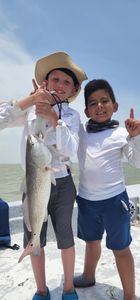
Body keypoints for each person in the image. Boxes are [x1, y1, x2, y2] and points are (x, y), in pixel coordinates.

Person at [0, 51, 87, 300]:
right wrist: (28, 101)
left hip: (62, 182)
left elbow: (71, 149)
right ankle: (41, 290)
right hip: (33, 181)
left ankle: (68, 289)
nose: (60, 85)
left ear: (73, 89)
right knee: (33, 235)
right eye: (55, 79)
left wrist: (53, 118)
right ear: (45, 83)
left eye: (66, 82)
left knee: (65, 237)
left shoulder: (72, 115)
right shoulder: (29, 110)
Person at [73, 79, 140, 300]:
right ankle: (88, 275)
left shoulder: (122, 133)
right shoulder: (81, 131)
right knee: (91, 242)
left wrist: (136, 137)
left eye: (104, 101)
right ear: (86, 110)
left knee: (120, 248)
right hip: (86, 199)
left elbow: (137, 162)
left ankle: (130, 295)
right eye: (93, 103)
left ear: (115, 105)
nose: (99, 106)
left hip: (114, 201)